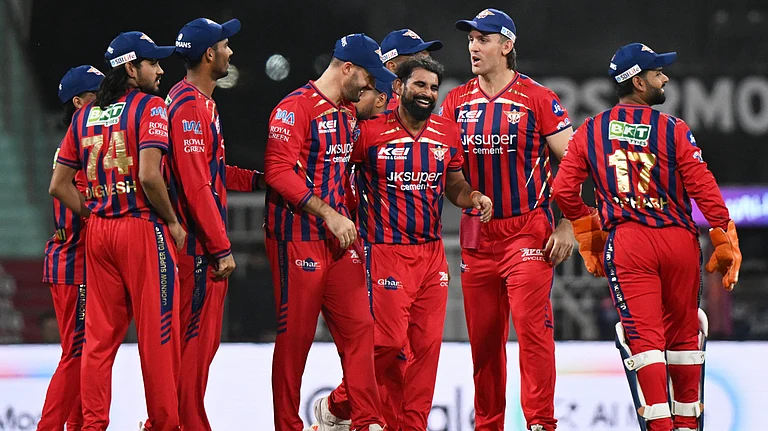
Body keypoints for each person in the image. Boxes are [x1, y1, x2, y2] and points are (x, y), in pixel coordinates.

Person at [552, 42, 742, 431]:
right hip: (679, 242)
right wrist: (724, 235)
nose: (665, 78)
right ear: (638, 82)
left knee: (644, 339)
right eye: (657, 73)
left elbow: (563, 191)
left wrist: (587, 230)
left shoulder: (590, 131)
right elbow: (703, 187)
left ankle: (660, 427)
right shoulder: (673, 129)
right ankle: (687, 425)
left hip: (629, 244)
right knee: (684, 336)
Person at [316, 56, 493, 431]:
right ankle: (336, 406)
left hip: (432, 256)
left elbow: (455, 184)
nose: (427, 93)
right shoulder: (369, 132)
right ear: (398, 87)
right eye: (420, 85)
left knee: (426, 354)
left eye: (433, 87)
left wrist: (473, 197)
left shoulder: (447, 132)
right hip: (384, 251)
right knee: (388, 342)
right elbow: (334, 173)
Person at [440, 8, 575, 431]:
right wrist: (468, 195)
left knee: (533, 333)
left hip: (527, 231)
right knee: (483, 346)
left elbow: (576, 163)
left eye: (483, 39)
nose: (473, 47)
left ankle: (540, 423)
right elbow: (448, 174)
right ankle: (488, 425)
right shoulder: (455, 101)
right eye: (470, 39)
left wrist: (569, 224)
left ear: (506, 45)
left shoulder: (537, 98)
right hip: (477, 237)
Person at [49, 32, 185, 431]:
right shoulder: (150, 106)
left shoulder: (84, 116)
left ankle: (93, 425)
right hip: (142, 228)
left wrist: (94, 212)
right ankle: (164, 424)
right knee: (159, 335)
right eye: (152, 63)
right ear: (131, 68)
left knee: (97, 342)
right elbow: (149, 175)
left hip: (99, 234)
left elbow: (58, 185)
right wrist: (172, 221)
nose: (160, 71)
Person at [263, 33, 395, 431]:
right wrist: (329, 214)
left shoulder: (348, 112)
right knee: (296, 341)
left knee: (362, 330)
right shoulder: (294, 108)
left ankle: (366, 421)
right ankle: (287, 425)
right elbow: (278, 172)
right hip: (296, 237)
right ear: (347, 69)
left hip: (339, 242)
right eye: (367, 77)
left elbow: (344, 169)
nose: (370, 86)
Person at [167, 17, 263, 431]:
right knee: (194, 346)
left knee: (195, 348)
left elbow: (213, 173)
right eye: (225, 46)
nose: (230, 52)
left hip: (195, 246)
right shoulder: (190, 106)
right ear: (209, 54)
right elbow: (195, 185)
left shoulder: (197, 102)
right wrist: (220, 247)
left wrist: (261, 181)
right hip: (196, 250)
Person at [39, 64, 103, 431]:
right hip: (74, 261)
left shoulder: (80, 140)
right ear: (78, 102)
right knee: (77, 354)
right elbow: (75, 201)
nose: (106, 101)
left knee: (83, 355)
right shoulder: (80, 143)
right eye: (97, 95)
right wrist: (105, 213)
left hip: (75, 260)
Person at [379, 29, 442, 111]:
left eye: (427, 59)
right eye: (418, 61)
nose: (426, 66)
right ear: (392, 66)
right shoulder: (374, 101)